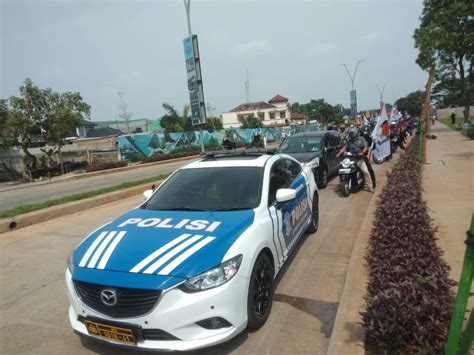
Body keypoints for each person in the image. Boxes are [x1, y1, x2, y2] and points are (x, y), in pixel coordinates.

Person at [336, 127, 375, 192]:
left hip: (359, 159)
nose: (350, 134)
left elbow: (366, 147)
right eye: (350, 133)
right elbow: (344, 147)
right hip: (350, 159)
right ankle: (341, 185)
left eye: (351, 133)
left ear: (355, 132)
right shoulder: (349, 140)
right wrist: (339, 153)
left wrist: (362, 152)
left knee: (365, 172)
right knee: (342, 170)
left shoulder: (361, 139)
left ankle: (370, 187)